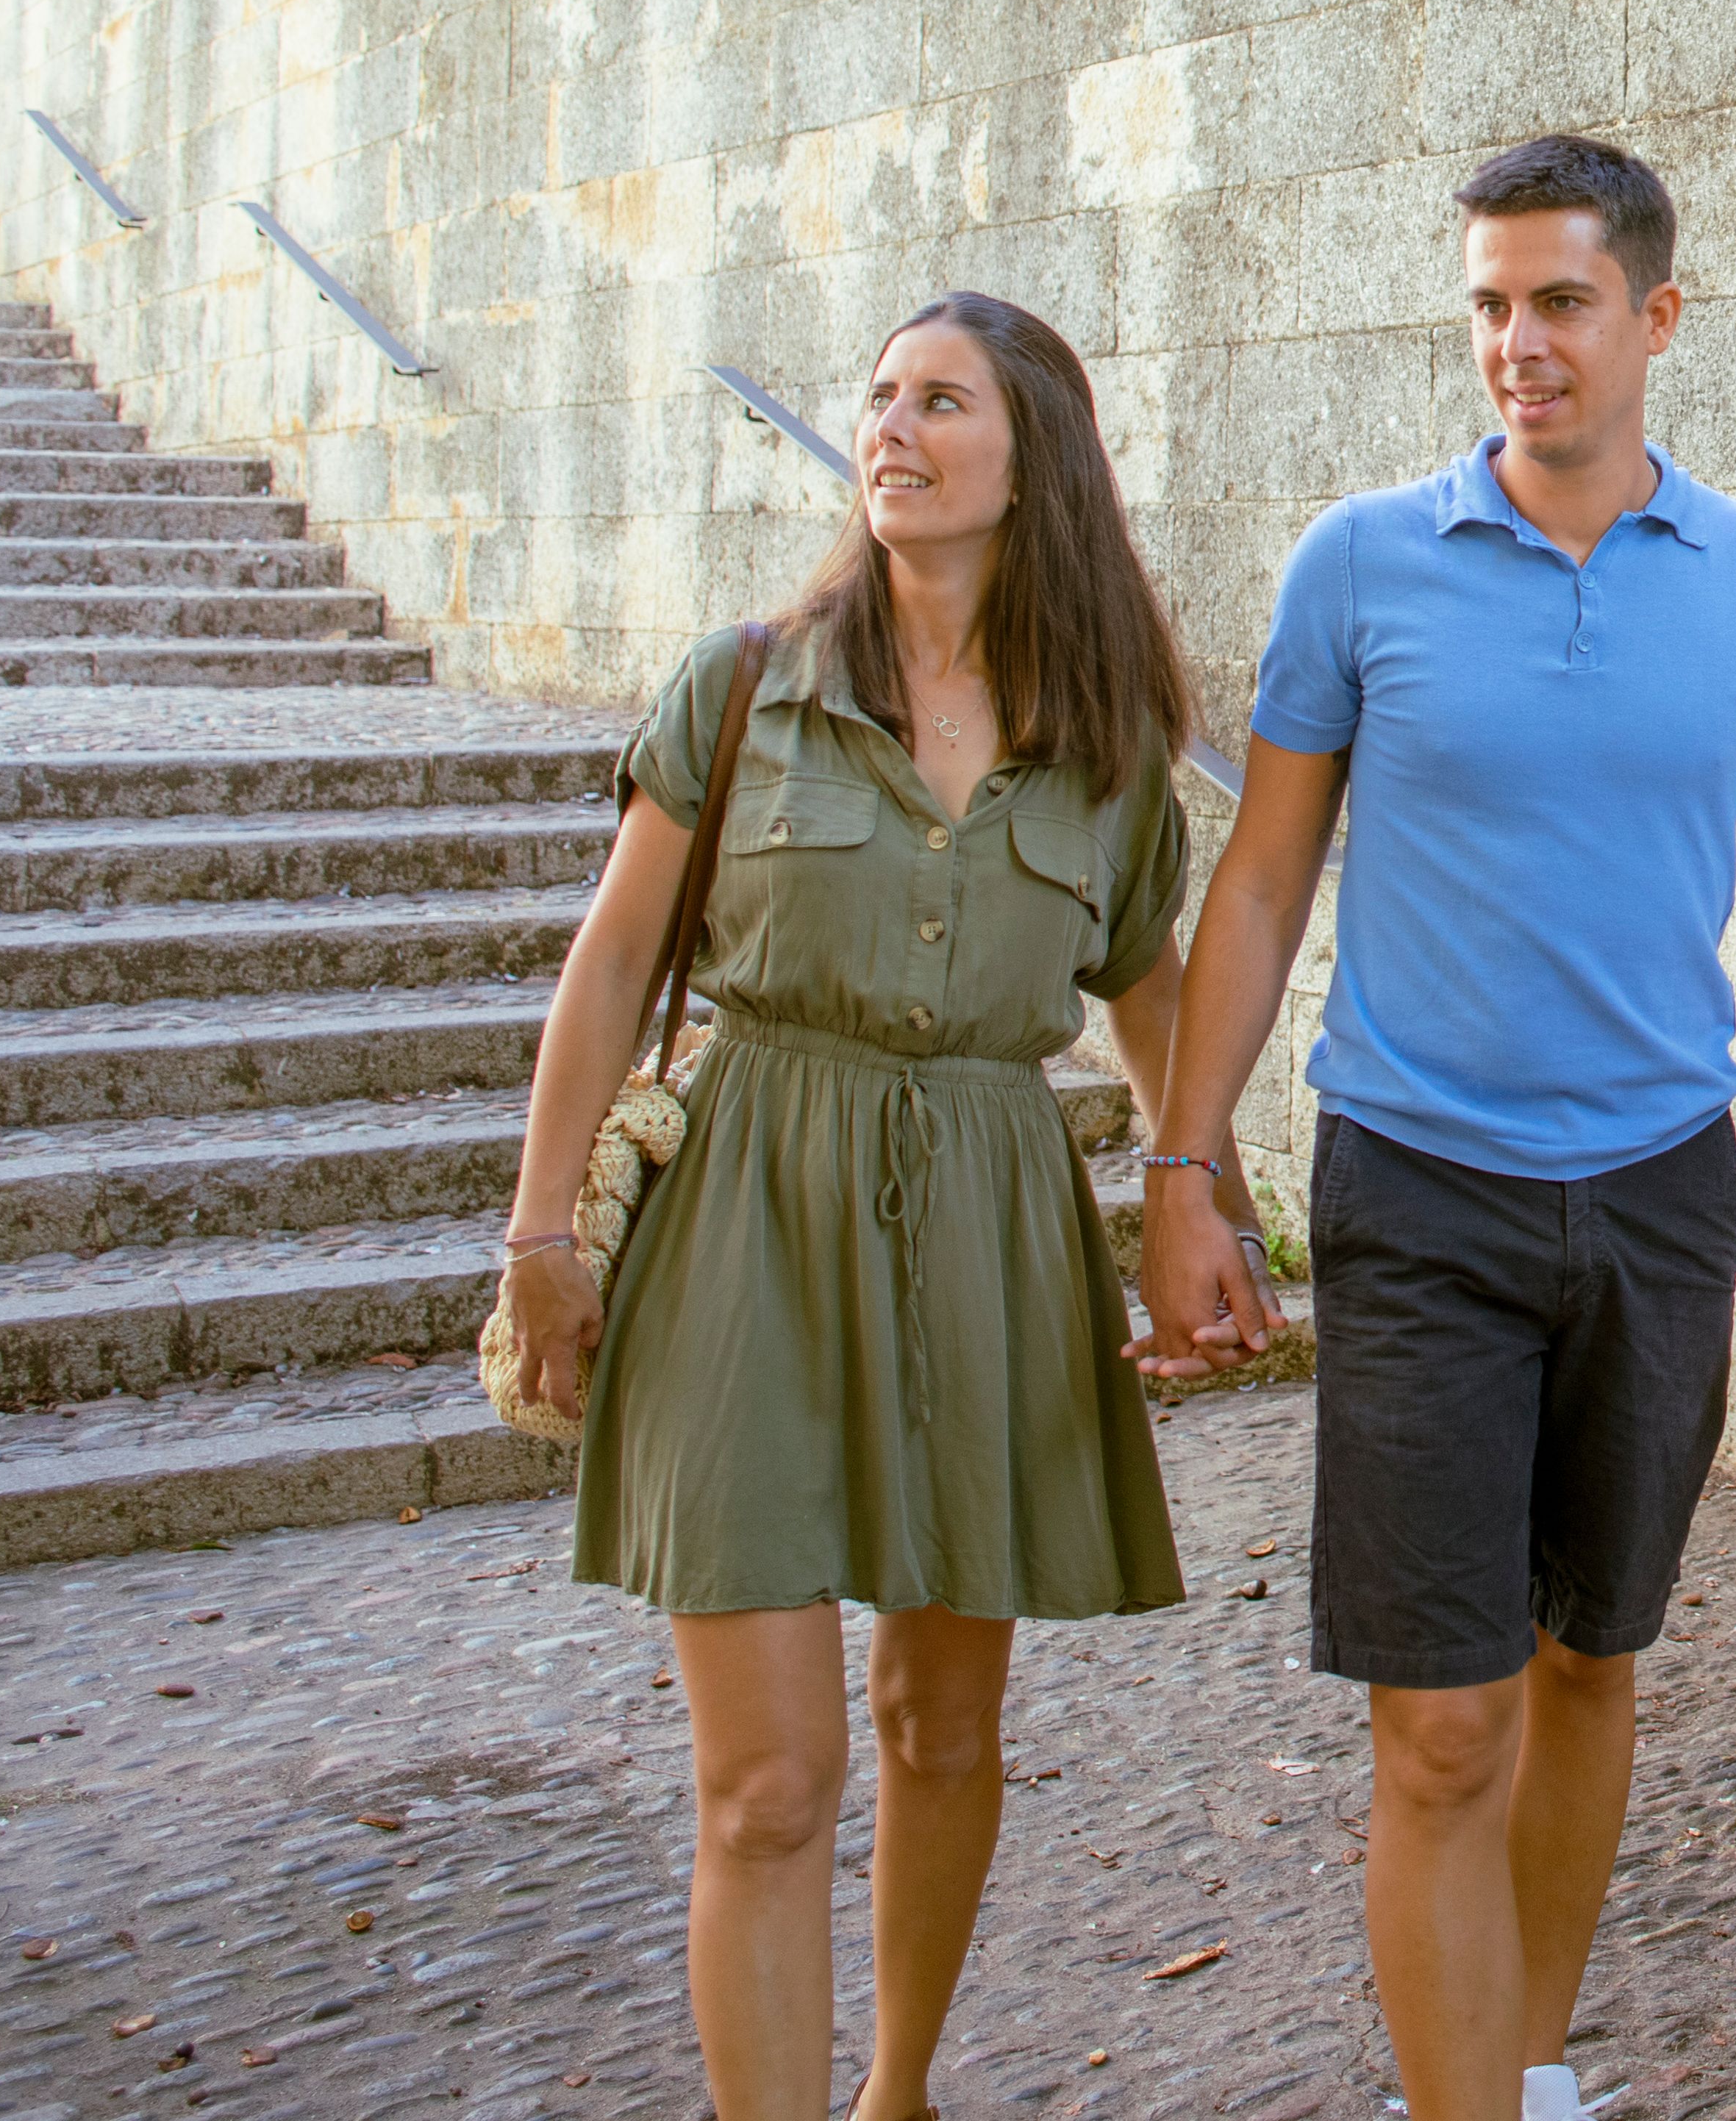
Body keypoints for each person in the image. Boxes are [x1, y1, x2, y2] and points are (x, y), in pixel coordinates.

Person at [1137, 133, 1736, 2121]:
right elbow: (1258, 885)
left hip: (1664, 1192)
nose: (1520, 344)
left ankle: (1535, 2073)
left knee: (1591, 1661)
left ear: (1655, 318)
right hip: (1419, 1187)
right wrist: (1185, 1163)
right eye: (1490, 305)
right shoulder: (1362, 567)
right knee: (1444, 1728)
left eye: (1560, 302)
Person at [500, 292, 1204, 2121]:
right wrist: (540, 1235)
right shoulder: (750, 687)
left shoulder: (1113, 750)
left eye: (941, 401)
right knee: (770, 1780)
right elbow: (609, 964)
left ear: (1029, 453)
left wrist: (1192, 1196)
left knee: (943, 1726)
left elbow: (1150, 1002)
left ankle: (899, 2093)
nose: (892, 426)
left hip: (989, 1223)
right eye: (880, 397)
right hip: (746, 1212)